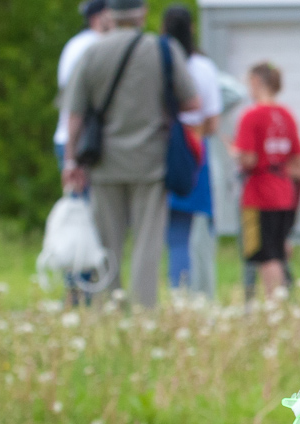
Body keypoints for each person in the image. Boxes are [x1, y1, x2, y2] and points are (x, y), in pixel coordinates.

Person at [62, 0, 199, 309]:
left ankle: (107, 307)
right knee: (147, 242)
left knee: (106, 242)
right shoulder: (163, 49)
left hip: (104, 161)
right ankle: (142, 312)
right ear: (143, 13)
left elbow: (75, 115)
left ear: (109, 14)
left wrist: (71, 160)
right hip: (151, 160)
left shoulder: (92, 52)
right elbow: (192, 101)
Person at [232, 62, 300, 299]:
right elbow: (299, 159)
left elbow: (249, 158)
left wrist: (235, 153)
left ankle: (274, 304)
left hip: (259, 194)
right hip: (284, 192)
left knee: (265, 256)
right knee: (278, 251)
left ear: (256, 82)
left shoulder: (251, 116)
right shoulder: (287, 115)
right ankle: (281, 300)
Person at [161, 4, 222, 298]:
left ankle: (171, 291)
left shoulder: (158, 62)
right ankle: (184, 293)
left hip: (160, 145)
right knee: (187, 232)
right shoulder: (203, 67)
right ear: (192, 29)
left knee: (169, 234)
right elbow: (213, 120)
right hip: (193, 149)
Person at [55, 0, 111, 171]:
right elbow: (78, 99)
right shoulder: (94, 45)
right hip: (85, 140)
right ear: (96, 18)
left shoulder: (76, 43)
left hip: (71, 136)